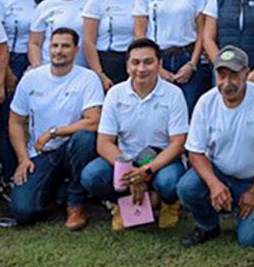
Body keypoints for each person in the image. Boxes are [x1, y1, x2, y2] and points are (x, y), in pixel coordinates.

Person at [178, 46, 254, 249]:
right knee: (187, 187)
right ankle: (208, 226)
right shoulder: (206, 102)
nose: (227, 83)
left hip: (253, 179)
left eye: (234, 75)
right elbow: (195, 151)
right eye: (222, 75)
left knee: (249, 240)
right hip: (220, 173)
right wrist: (214, 184)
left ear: (246, 73)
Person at [80, 39, 191, 230]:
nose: (141, 69)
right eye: (135, 63)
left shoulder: (174, 94)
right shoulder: (115, 94)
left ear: (159, 64)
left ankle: (168, 203)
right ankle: (124, 203)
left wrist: (145, 171)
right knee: (91, 176)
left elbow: (178, 144)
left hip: (162, 161)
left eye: (148, 62)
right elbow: (104, 143)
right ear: (127, 66)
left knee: (169, 183)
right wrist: (131, 174)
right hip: (126, 160)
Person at [7, 27, 103, 230]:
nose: (59, 51)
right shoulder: (31, 78)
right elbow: (15, 121)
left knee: (85, 138)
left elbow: (93, 121)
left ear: (76, 50)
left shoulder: (88, 78)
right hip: (41, 153)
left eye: (65, 46)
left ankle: (75, 203)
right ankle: (59, 192)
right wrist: (23, 158)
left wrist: (54, 132)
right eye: (55, 45)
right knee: (22, 211)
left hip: (72, 149)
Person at [0, 0, 45, 186]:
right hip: (8, 61)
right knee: (9, 121)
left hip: (36, 61)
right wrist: (6, 74)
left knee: (31, 120)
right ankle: (9, 175)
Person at [134, 0, 209, 108]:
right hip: (157, 59)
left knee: (188, 107)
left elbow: (202, 32)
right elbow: (140, 34)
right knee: (158, 109)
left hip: (187, 57)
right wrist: (157, 68)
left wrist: (192, 64)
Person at [82, 0, 138, 87]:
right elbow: (89, 42)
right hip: (107, 62)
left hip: (135, 61)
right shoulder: (96, 1)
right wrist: (100, 74)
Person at [29, 0, 87, 67]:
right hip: (51, 68)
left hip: (83, 68)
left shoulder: (91, 2)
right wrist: (37, 67)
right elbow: (34, 43)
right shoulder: (45, 6)